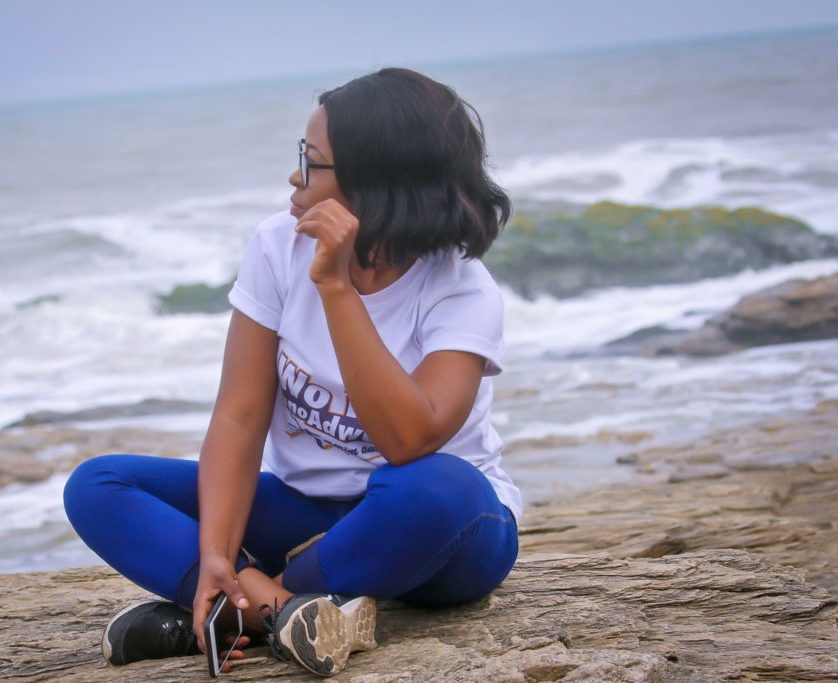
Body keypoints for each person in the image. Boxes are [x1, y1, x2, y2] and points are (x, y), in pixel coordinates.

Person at [63, 67, 521, 678]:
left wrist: (336, 287)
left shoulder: (461, 287)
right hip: (307, 515)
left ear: (377, 180)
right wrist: (216, 552)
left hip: (437, 535)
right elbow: (240, 415)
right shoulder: (277, 245)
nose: (294, 176)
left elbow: (409, 440)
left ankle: (248, 612)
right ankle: (284, 613)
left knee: (440, 487)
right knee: (99, 485)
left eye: (312, 161)